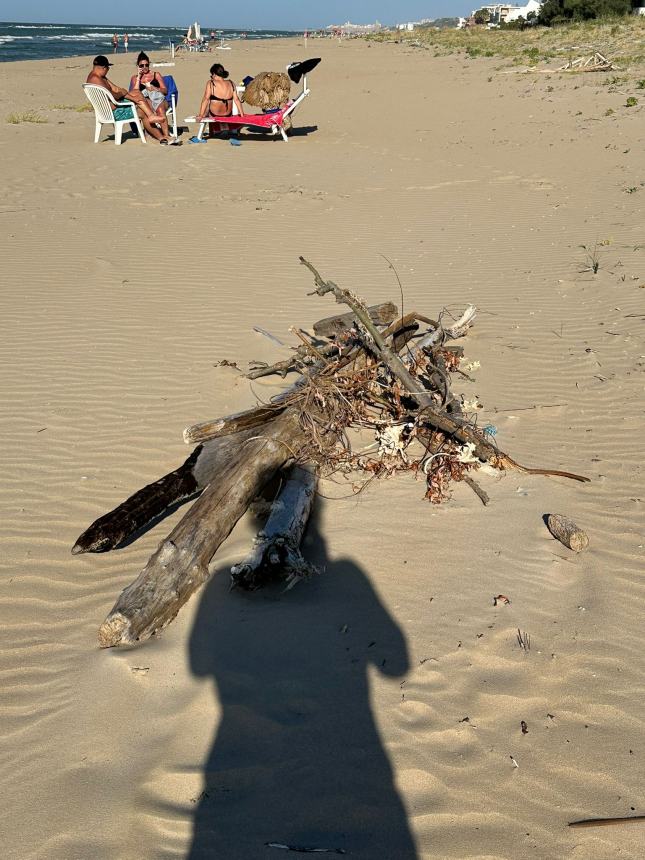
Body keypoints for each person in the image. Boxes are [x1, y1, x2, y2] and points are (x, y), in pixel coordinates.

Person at [86, 55, 179, 145]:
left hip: (111, 108)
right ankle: (161, 135)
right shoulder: (95, 79)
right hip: (113, 112)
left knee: (137, 93)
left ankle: (160, 134)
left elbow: (115, 88)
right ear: (103, 68)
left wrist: (123, 92)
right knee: (142, 111)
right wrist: (123, 93)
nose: (108, 70)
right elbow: (113, 95)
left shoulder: (99, 77)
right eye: (108, 68)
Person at [197, 63, 244, 136]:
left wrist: (200, 115)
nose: (211, 77)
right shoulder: (231, 83)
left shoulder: (211, 83)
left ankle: (212, 132)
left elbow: (205, 99)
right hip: (228, 114)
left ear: (214, 74)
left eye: (211, 75)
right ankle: (225, 129)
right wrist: (242, 115)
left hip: (215, 114)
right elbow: (237, 100)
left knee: (208, 103)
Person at [129, 51, 170, 130]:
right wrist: (139, 77)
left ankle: (166, 135)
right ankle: (150, 132)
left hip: (158, 100)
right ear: (138, 66)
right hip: (145, 103)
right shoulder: (135, 78)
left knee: (160, 108)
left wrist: (155, 88)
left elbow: (165, 91)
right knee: (146, 104)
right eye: (142, 65)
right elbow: (135, 93)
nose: (144, 67)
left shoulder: (156, 75)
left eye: (146, 65)